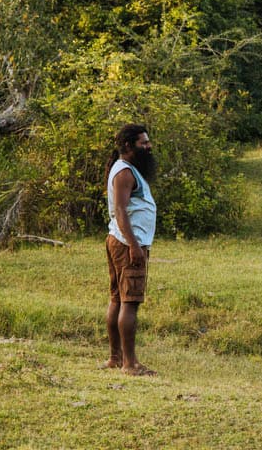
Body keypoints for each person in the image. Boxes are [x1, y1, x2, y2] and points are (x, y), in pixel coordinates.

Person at [103, 123, 157, 376]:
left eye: (147, 142)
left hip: (120, 240)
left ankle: (115, 358)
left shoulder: (128, 170)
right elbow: (122, 212)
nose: (148, 147)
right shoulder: (125, 173)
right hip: (127, 244)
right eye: (143, 143)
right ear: (128, 146)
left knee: (117, 299)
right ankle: (130, 364)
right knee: (129, 302)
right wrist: (134, 245)